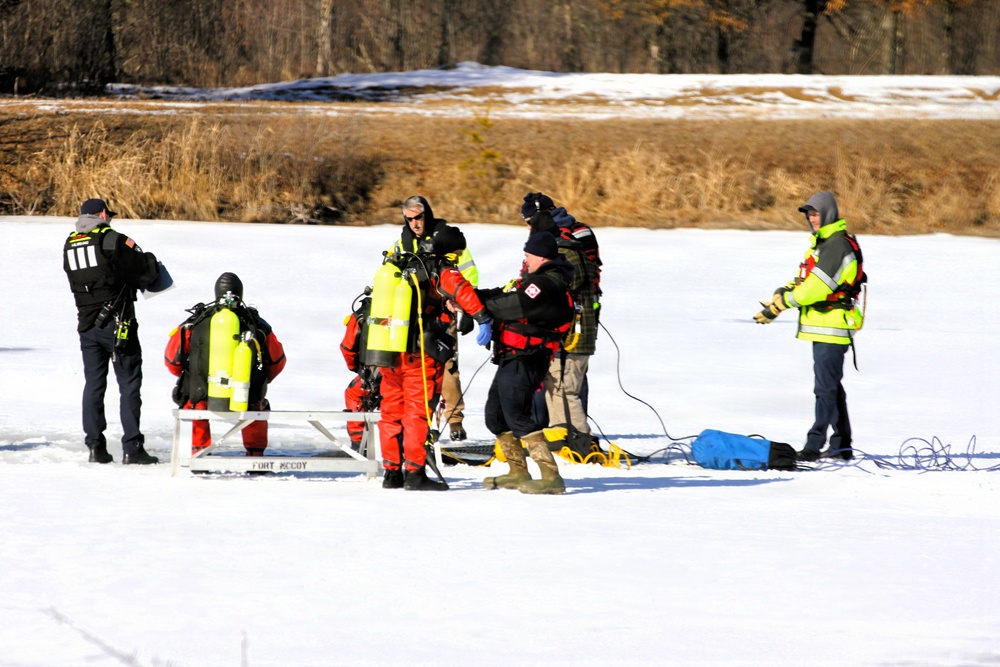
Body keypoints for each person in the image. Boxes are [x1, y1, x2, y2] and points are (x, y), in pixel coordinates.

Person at [375, 223, 489, 490]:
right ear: (451, 252)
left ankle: (391, 473)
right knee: (417, 412)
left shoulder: (403, 267)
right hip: (418, 353)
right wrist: (482, 318)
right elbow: (462, 289)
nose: (460, 259)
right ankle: (415, 474)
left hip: (389, 350)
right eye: (458, 254)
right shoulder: (442, 269)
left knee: (391, 412)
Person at [753, 191, 865, 462]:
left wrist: (782, 304)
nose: (812, 219)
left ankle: (814, 446)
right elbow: (806, 279)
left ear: (828, 213)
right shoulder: (823, 244)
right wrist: (785, 290)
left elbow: (817, 287)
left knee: (825, 389)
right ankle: (841, 446)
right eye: (808, 214)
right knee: (832, 388)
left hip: (832, 326)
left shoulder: (837, 245)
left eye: (815, 213)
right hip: (821, 325)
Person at [63, 198, 163, 464]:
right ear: (104, 214)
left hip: (86, 326)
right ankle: (132, 448)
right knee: (129, 384)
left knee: (94, 385)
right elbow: (145, 270)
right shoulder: (113, 239)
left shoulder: (70, 243)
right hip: (118, 324)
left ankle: (95, 447)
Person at [477, 232, 575, 494]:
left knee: (517, 414)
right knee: (495, 416)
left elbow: (513, 304)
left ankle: (550, 475)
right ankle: (518, 470)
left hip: (529, 357)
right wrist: (471, 300)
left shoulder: (546, 284)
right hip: (512, 356)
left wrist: (482, 309)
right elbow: (502, 294)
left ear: (541, 255)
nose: (525, 259)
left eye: (528, 254)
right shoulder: (532, 280)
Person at [164, 272, 286, 456]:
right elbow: (277, 361)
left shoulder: (194, 323)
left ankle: (200, 452)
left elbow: (172, 359)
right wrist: (261, 379)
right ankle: (256, 456)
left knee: (195, 402)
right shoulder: (257, 324)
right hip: (246, 393)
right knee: (256, 403)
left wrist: (192, 376)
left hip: (202, 394)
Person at [391, 195, 479, 443]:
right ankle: (422, 421)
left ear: (427, 215)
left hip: (444, 312)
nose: (415, 224)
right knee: (416, 371)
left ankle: (455, 421)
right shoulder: (401, 242)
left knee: (448, 369)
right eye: (409, 219)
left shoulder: (448, 238)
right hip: (412, 316)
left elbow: (469, 274)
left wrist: (461, 306)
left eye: (418, 218)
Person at [524, 208, 600, 456]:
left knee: (566, 390)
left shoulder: (565, 252)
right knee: (556, 387)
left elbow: (562, 288)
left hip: (574, 337)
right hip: (568, 336)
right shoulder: (567, 250)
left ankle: (581, 443)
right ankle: (561, 440)